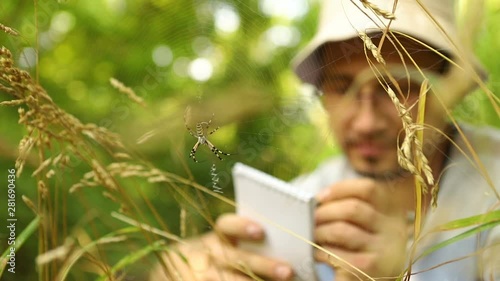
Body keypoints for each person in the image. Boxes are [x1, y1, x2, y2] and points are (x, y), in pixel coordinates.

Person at [150, 0, 500, 280]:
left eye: (398, 87)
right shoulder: (308, 196)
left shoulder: (492, 187)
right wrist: (183, 265)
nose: (365, 123)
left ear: (448, 88)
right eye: (342, 87)